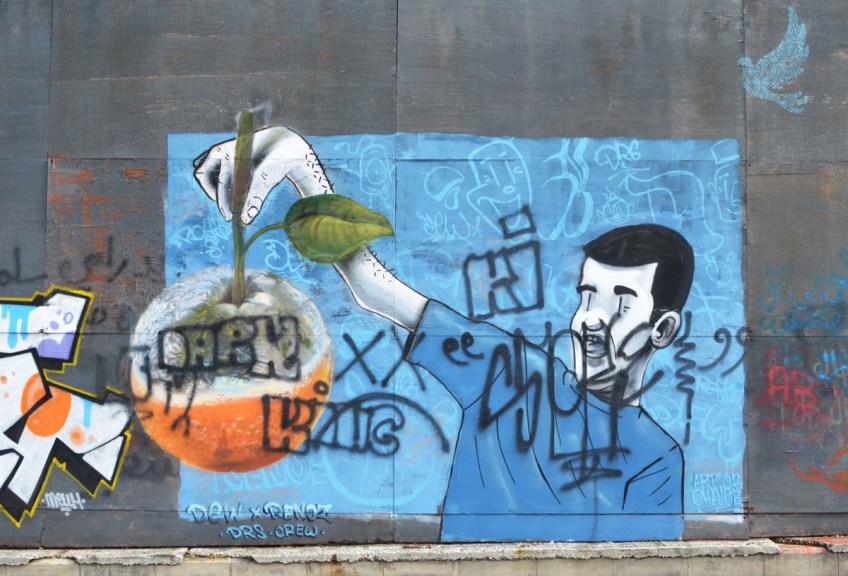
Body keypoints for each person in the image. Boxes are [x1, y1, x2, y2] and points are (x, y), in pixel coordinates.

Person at [194, 127, 695, 541]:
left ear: (663, 328)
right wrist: (300, 163)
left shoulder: (657, 460)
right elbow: (375, 288)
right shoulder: (511, 373)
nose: (590, 319)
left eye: (619, 304)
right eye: (587, 296)